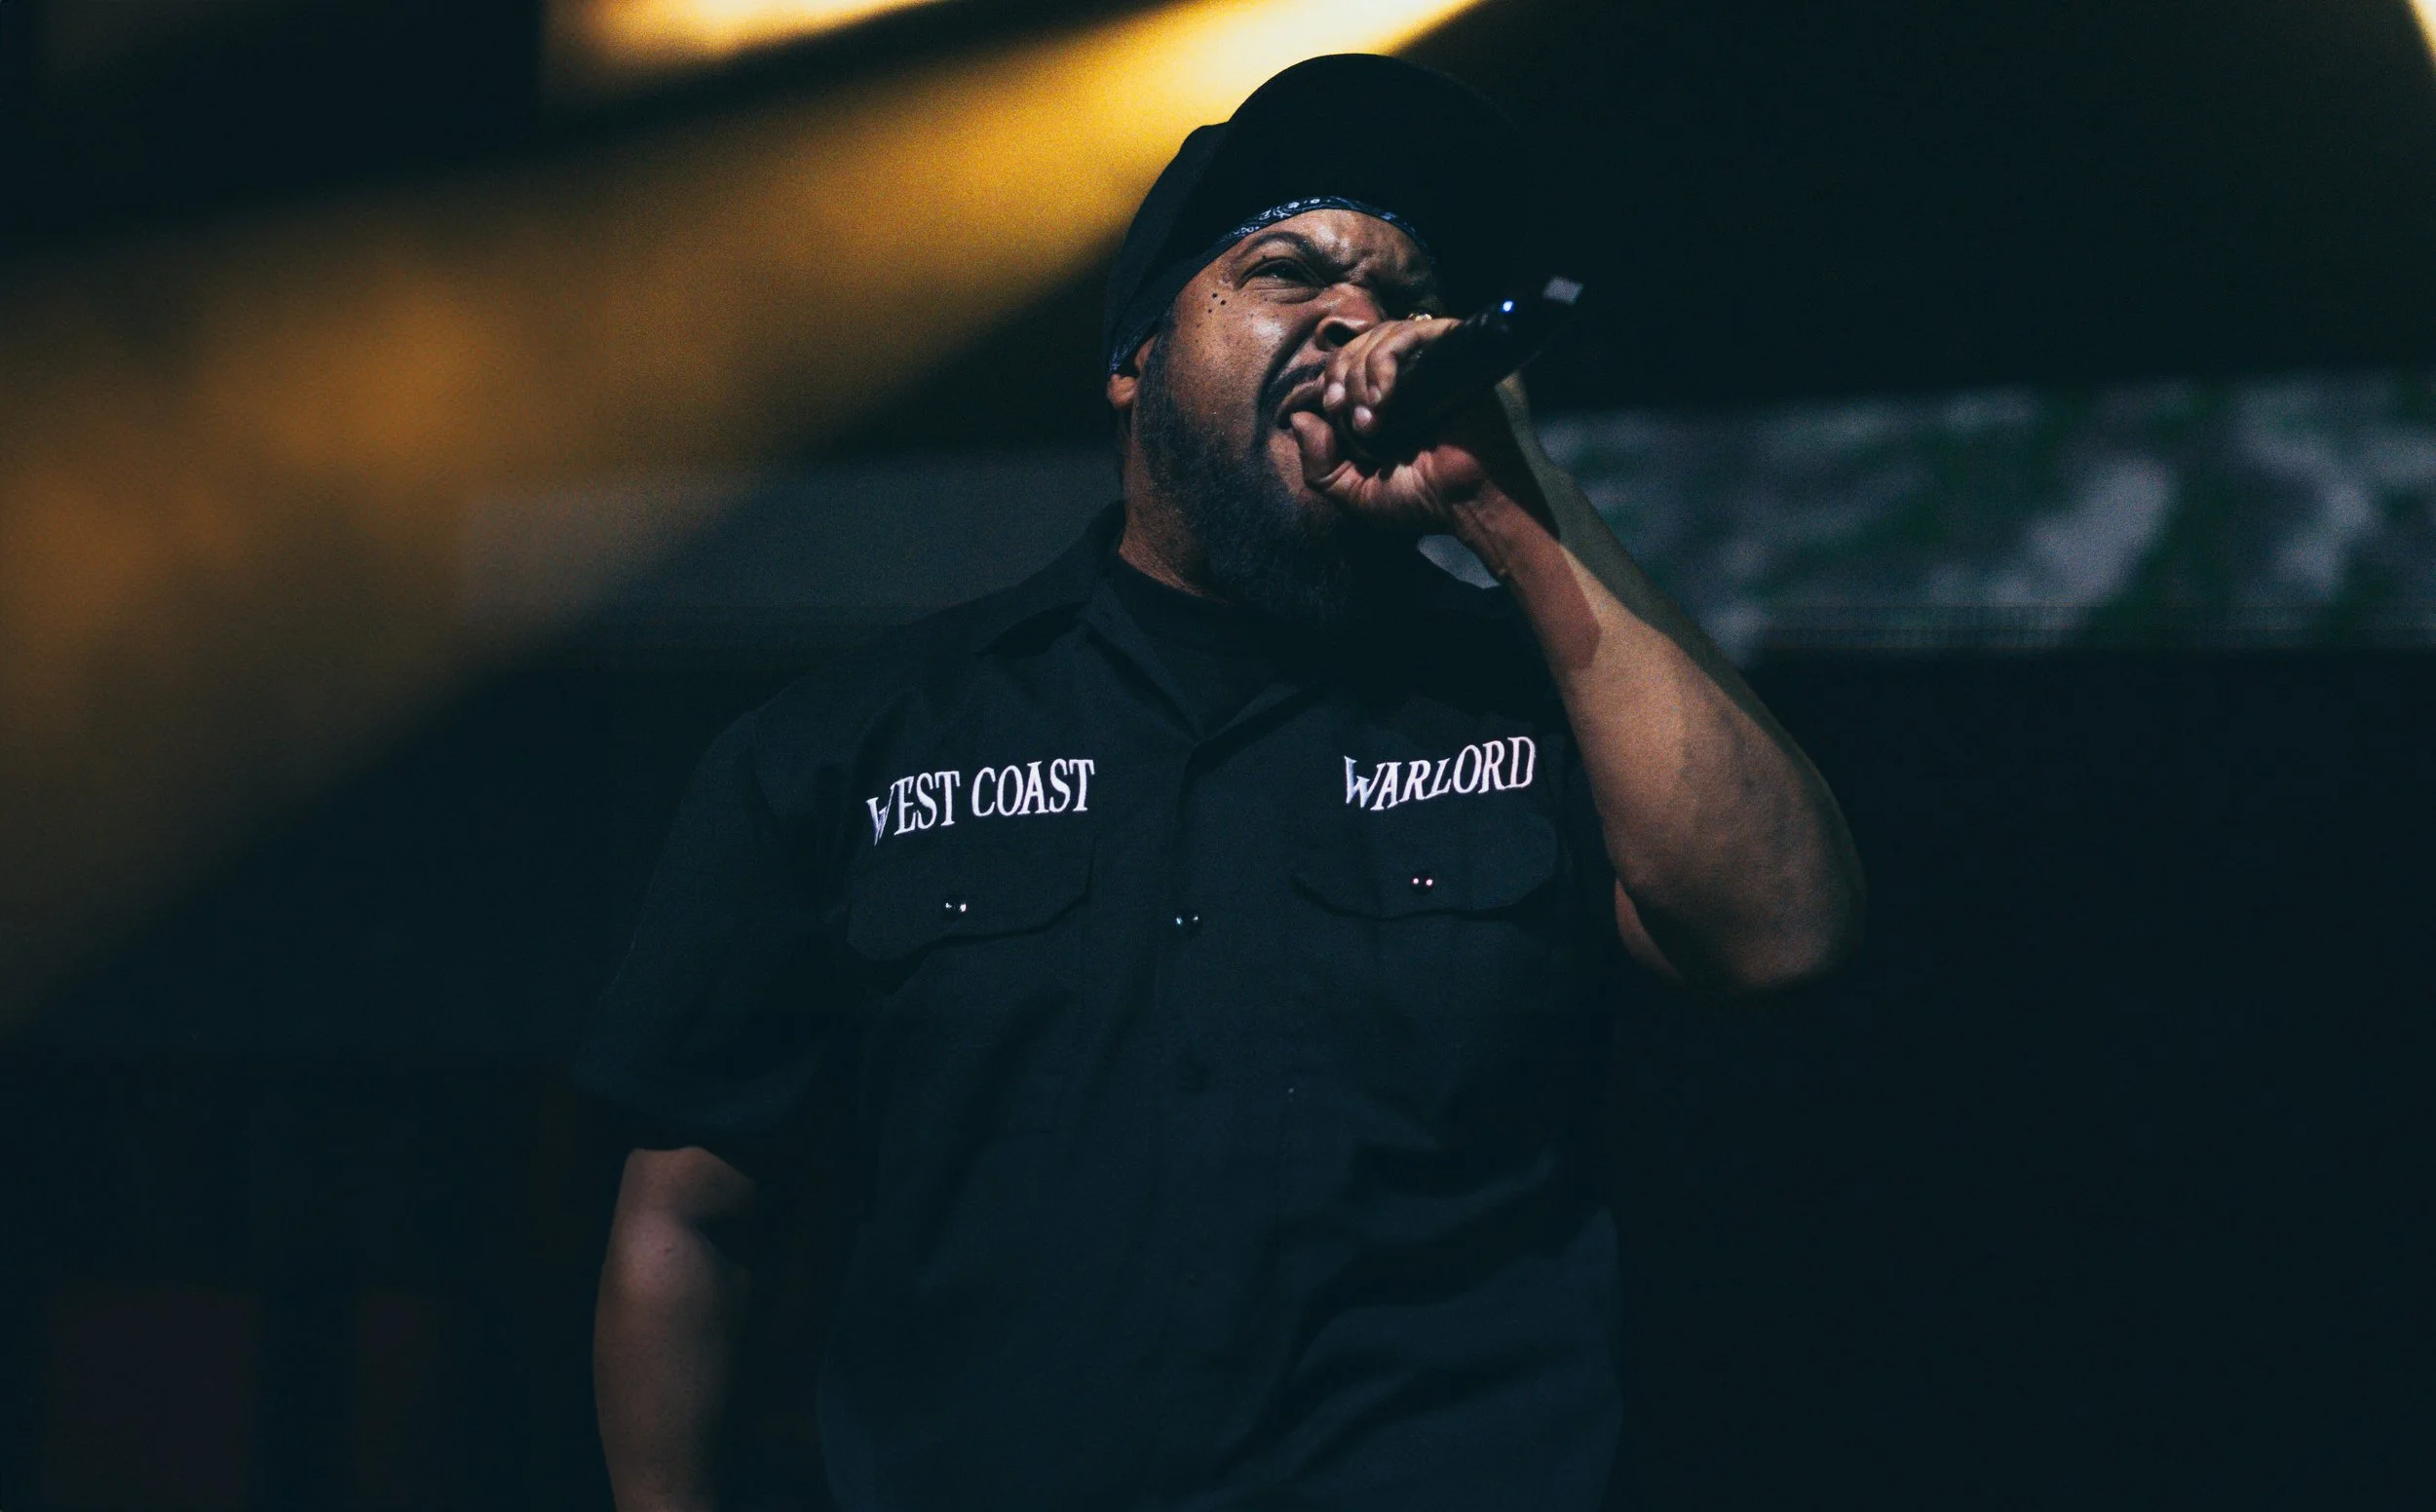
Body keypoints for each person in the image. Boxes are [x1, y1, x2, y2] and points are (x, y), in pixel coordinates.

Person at [577, 53, 1864, 1512]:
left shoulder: (1546, 701)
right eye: (1284, 271)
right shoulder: (856, 744)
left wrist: (1519, 502)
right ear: (1135, 360)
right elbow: (687, 1219)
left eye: (1397, 297)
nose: (1353, 319)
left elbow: (1781, 936)